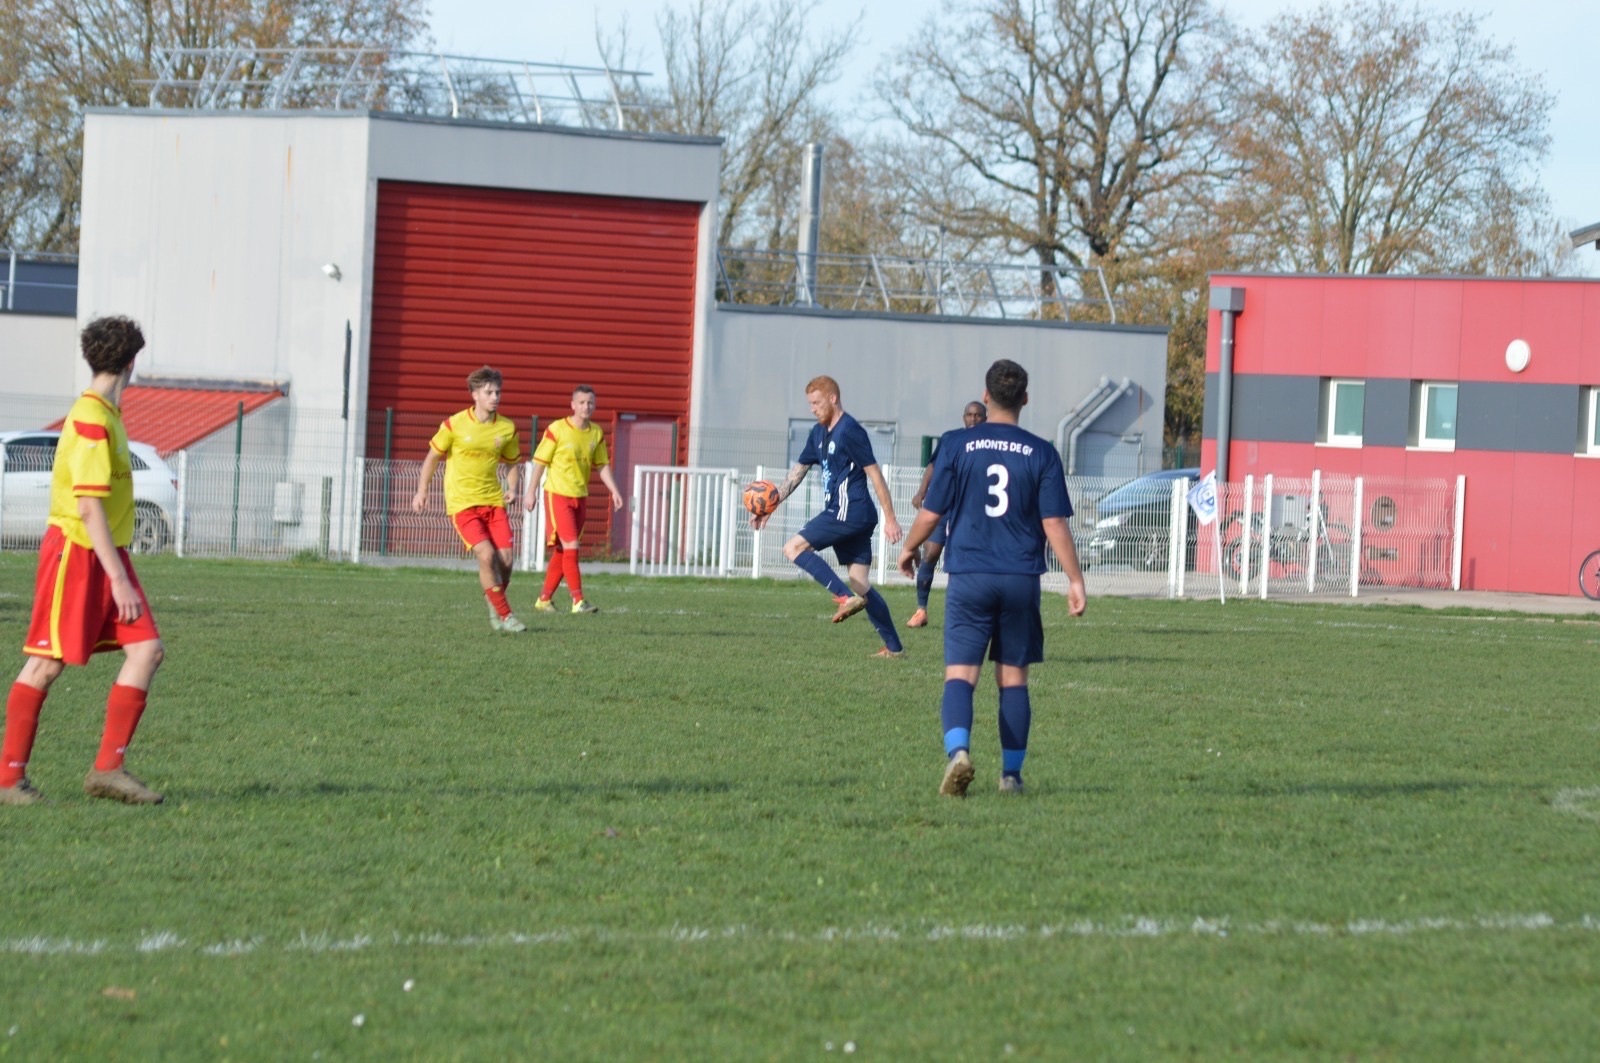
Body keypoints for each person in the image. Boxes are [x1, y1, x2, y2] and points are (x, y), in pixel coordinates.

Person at [897, 359, 1088, 797]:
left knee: (960, 677)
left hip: (970, 575)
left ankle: (959, 752)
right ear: (1024, 398)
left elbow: (931, 512)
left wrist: (909, 549)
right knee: (1013, 681)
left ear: (985, 397)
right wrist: (1075, 580)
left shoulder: (956, 445)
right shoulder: (1041, 452)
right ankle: (1011, 776)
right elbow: (1055, 523)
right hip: (1021, 578)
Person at [2, 316, 167, 805]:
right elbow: (88, 504)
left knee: (147, 650)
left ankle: (108, 770)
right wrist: (118, 579)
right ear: (132, 362)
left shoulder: (107, 413)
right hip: (78, 554)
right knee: (45, 665)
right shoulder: (93, 418)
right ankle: (9, 779)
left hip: (105, 553)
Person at [753, 375, 906, 658]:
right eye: (810, 403)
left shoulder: (850, 430)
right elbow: (797, 472)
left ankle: (844, 597)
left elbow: (874, 474)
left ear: (833, 399)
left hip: (849, 510)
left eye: (816, 402)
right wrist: (770, 505)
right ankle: (894, 648)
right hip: (852, 515)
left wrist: (891, 518)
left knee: (793, 548)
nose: (812, 408)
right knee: (861, 582)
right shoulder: (817, 433)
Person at [413, 366, 526, 633]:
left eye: (497, 392)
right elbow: (432, 458)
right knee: (486, 555)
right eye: (488, 392)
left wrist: (512, 488)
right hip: (462, 503)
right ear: (474, 394)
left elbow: (512, 464)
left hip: (493, 501)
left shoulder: (507, 428)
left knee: (507, 561)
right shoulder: (454, 424)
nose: (495, 397)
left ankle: (494, 601)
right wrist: (422, 491)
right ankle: (506, 615)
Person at [524, 385, 623, 614]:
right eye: (581, 402)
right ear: (573, 405)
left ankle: (544, 599)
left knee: (563, 550)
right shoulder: (557, 429)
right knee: (571, 546)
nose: (586, 407)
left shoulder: (595, 433)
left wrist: (615, 491)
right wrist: (531, 492)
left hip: (580, 496)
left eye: (590, 403)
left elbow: (602, 465)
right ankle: (578, 600)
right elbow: (540, 462)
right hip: (558, 495)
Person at [907, 400, 988, 628]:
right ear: (963, 417)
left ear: (985, 418)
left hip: (971, 509)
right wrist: (921, 492)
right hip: (945, 505)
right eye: (969, 415)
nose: (973, 419)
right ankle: (921, 609)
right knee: (931, 553)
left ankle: (968, 612)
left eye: (978, 415)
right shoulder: (951, 439)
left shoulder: (990, 444)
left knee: (967, 559)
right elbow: (934, 466)